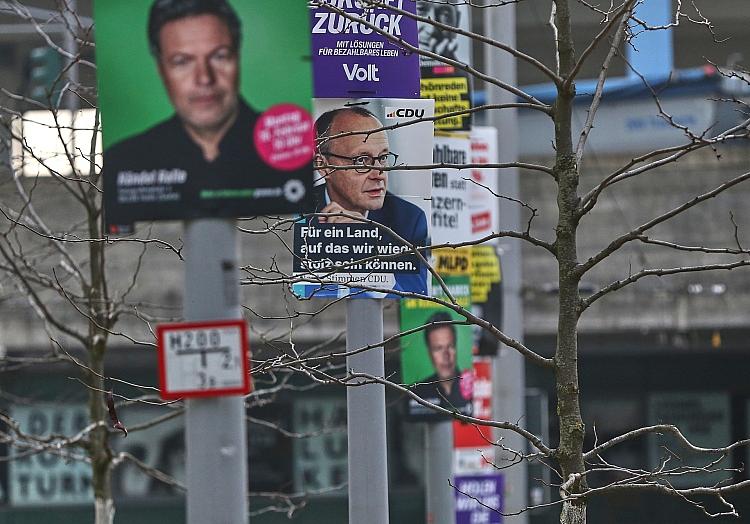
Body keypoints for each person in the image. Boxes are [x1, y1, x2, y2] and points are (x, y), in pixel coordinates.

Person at [103, 0, 266, 227]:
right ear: (161, 69)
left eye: (219, 56)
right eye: (182, 62)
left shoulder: (292, 151)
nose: (204, 78)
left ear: (237, 57)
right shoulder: (124, 161)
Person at [309, 106, 429, 295]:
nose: (379, 174)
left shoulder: (408, 220)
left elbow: (414, 295)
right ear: (324, 166)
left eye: (382, 158)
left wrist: (363, 245)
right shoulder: (298, 213)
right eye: (362, 161)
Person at [411, 312, 472, 415]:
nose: (446, 355)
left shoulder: (472, 387)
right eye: (438, 348)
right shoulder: (417, 394)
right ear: (429, 353)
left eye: (450, 346)